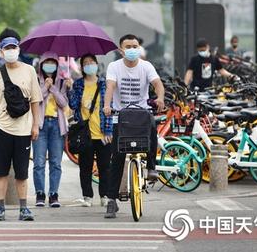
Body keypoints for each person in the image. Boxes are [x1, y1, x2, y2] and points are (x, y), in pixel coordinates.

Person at [0, 28, 42, 221]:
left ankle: (24, 208)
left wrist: (35, 125)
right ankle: (0, 207)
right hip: (3, 129)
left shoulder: (29, 70)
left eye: (13, 48)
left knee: (22, 172)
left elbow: (35, 100)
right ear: (1, 51)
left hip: (24, 130)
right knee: (0, 171)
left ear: (18, 49)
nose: (10, 51)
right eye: (6, 48)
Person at [103, 34, 165, 219]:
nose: (132, 49)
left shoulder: (146, 66)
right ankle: (111, 201)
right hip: (120, 116)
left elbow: (157, 84)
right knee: (117, 158)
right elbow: (110, 87)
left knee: (152, 127)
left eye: (135, 46)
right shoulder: (114, 66)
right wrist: (107, 105)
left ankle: (152, 167)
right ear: (121, 50)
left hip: (142, 113)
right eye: (128, 46)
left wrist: (160, 97)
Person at [68, 54, 112, 208]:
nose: (88, 65)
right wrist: (69, 89)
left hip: (102, 132)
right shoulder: (78, 84)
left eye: (91, 62)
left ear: (96, 64)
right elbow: (73, 105)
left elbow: (109, 108)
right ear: (81, 67)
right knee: (85, 167)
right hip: (84, 133)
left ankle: (104, 195)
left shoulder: (104, 84)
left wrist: (109, 131)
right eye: (85, 63)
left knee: (104, 167)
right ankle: (87, 196)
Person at [33, 52, 70, 208]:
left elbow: (63, 103)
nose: (50, 65)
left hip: (57, 125)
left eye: (52, 62)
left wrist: (53, 88)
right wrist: (45, 87)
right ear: (41, 64)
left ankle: (53, 194)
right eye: (46, 62)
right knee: (39, 162)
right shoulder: (35, 80)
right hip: (40, 125)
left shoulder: (62, 82)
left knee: (56, 163)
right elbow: (34, 99)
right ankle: (40, 194)